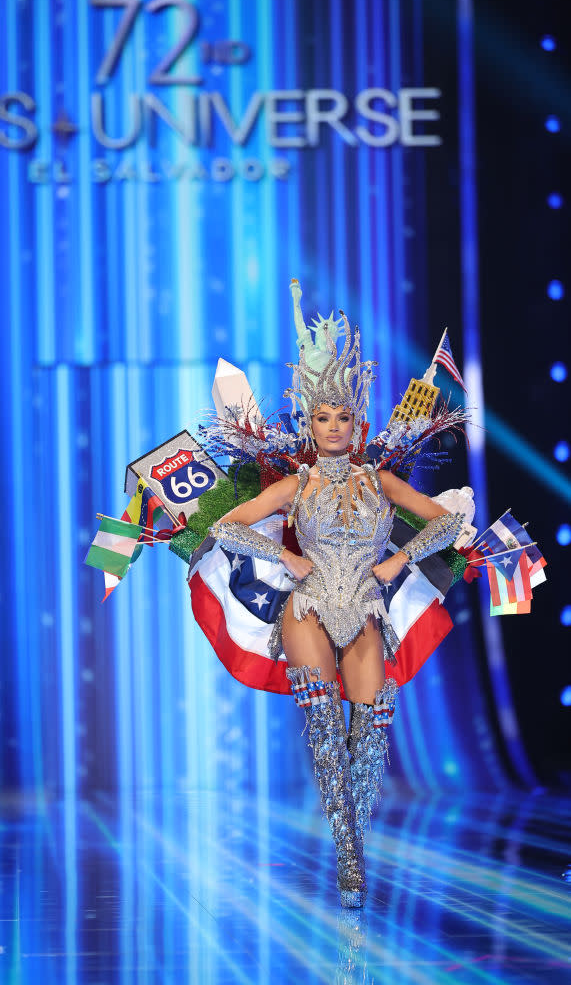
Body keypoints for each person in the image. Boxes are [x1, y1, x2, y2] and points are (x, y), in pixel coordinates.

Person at [208, 285, 463, 907]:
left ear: (357, 423)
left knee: (371, 733)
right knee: (325, 728)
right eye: (321, 418)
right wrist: (286, 555)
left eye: (341, 418)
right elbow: (225, 525)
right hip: (309, 605)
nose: (331, 427)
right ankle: (351, 863)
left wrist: (400, 558)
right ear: (309, 423)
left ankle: (353, 843)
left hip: (367, 608)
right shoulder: (295, 481)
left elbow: (448, 522)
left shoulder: (380, 479)